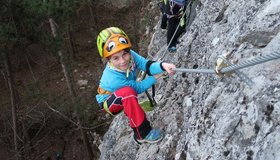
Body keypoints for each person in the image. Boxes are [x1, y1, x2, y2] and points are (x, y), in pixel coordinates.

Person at [96, 27, 176, 144]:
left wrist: (163, 66)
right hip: (109, 102)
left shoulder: (131, 55)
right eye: (116, 58)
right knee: (128, 93)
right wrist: (156, 77)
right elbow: (137, 88)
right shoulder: (113, 79)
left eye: (124, 54)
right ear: (108, 60)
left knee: (127, 92)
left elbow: (146, 65)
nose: (123, 61)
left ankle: (132, 109)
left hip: (121, 94)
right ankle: (142, 133)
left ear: (128, 50)